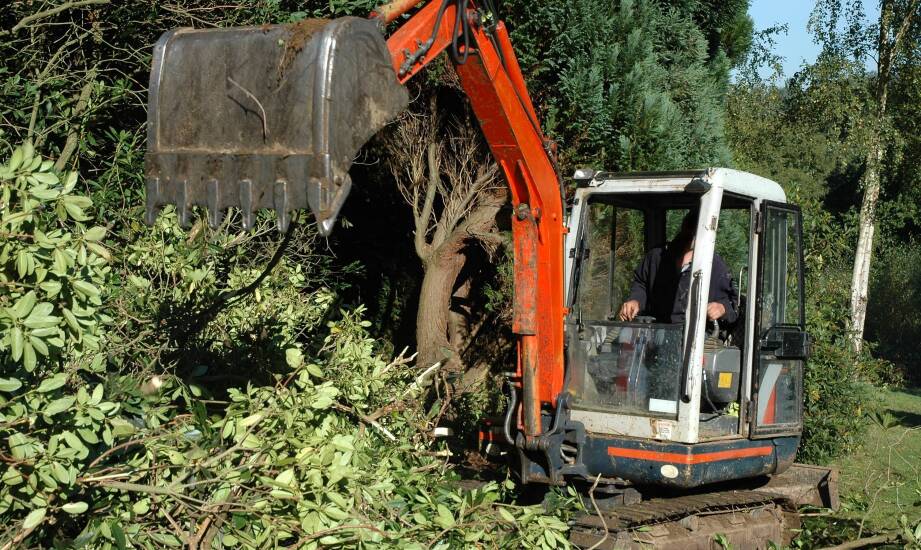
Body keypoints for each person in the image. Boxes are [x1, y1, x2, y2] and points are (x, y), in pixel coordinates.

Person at [618, 210, 737, 325]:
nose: (691, 234)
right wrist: (635, 300)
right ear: (683, 227)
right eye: (689, 228)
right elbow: (641, 283)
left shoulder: (714, 264)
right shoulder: (656, 257)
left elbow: (733, 304)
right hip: (655, 330)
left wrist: (722, 308)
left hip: (694, 337)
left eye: (696, 230)